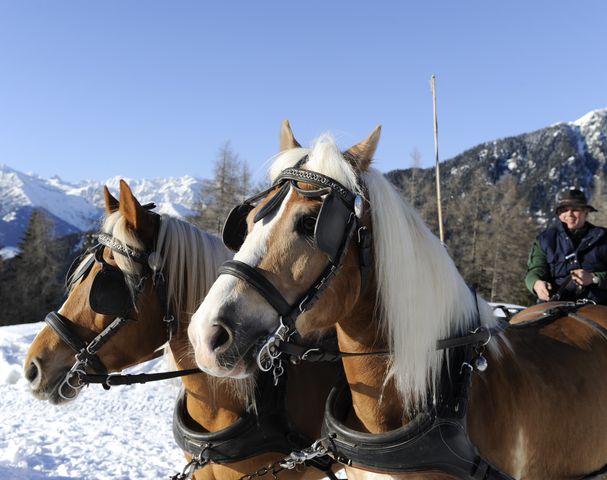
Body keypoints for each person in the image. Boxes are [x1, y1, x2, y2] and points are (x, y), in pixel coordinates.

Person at [525, 188, 607, 304]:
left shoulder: (604, 237)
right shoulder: (545, 240)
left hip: (598, 306)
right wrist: (536, 284)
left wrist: (594, 278)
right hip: (554, 305)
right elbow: (535, 270)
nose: (569, 213)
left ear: (586, 212)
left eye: (575, 209)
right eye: (564, 210)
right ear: (559, 215)